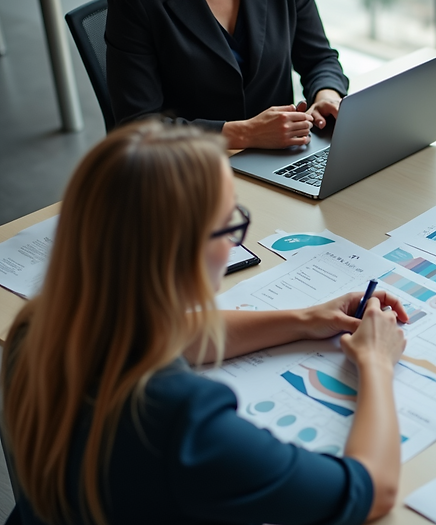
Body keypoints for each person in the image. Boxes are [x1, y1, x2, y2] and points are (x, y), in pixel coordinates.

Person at [1, 121, 410, 524]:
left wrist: (305, 319)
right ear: (181, 256)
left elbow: (175, 332)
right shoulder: (182, 419)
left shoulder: (42, 327)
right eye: (231, 225)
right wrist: (376, 362)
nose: (236, 242)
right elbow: (369, 490)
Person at [103, 0, 348, 149]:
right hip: (191, 171)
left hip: (281, 158)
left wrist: (326, 96)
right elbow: (138, 126)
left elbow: (318, 58)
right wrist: (245, 134)